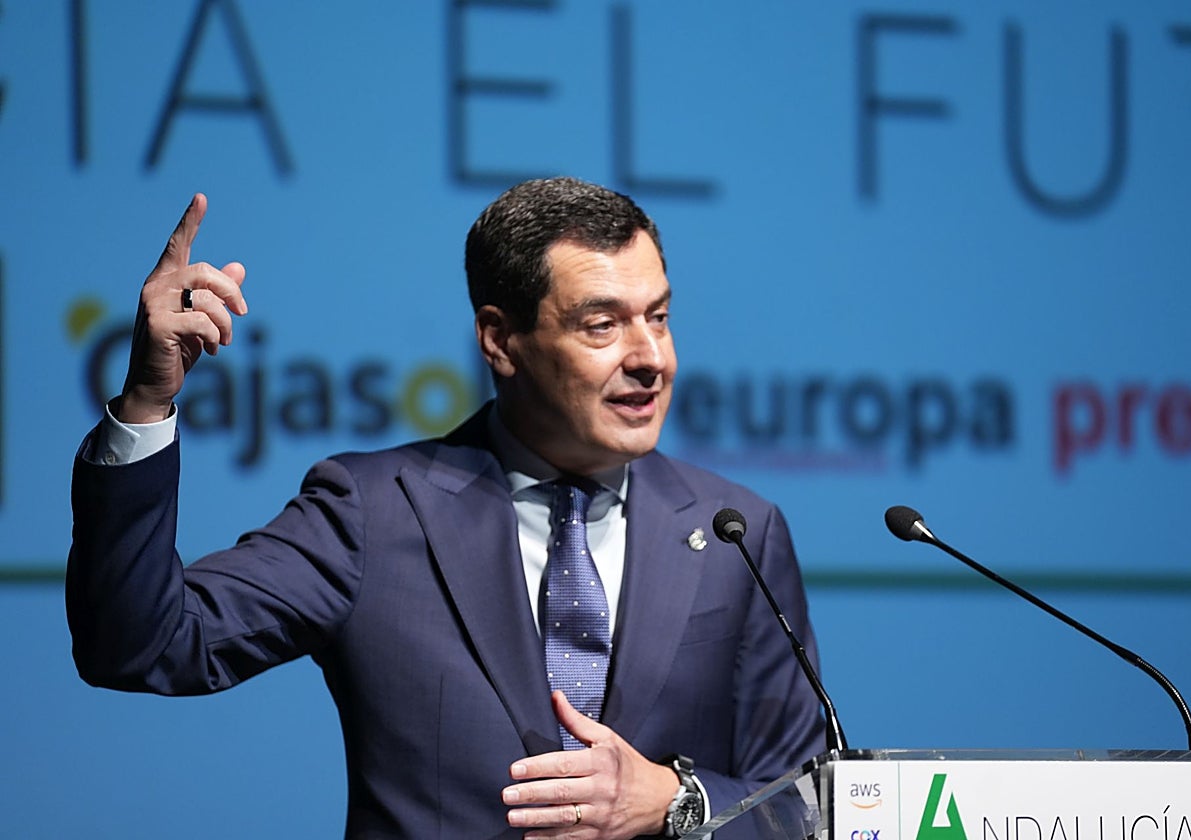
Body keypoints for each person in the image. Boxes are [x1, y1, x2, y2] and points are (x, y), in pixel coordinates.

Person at [68, 178, 826, 838]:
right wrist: (147, 401)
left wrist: (675, 800)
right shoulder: (374, 511)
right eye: (602, 325)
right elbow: (143, 644)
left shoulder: (735, 532)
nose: (650, 357)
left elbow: (811, 803)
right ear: (500, 340)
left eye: (657, 317)